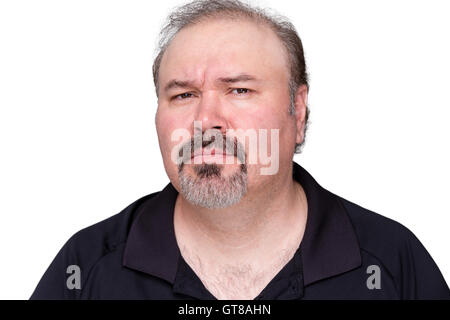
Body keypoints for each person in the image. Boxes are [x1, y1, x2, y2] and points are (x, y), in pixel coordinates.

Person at [30, 0, 449, 300]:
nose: (206, 120)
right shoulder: (85, 270)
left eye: (239, 90)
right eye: (183, 95)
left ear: (297, 110)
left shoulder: (393, 264)